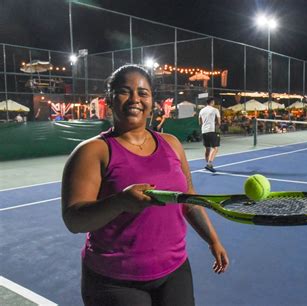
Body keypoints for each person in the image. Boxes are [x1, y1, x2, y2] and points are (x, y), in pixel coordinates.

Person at [61, 64, 229, 306]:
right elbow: (73, 220)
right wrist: (120, 202)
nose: (135, 99)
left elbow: (188, 198)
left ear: (152, 101)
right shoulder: (92, 151)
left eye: (143, 93)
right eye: (124, 91)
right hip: (115, 280)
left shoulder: (171, 144)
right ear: (109, 98)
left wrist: (213, 240)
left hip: (175, 270)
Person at [198, 97, 221, 173]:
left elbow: (200, 123)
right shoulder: (215, 110)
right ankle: (209, 164)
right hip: (212, 130)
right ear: (212, 102)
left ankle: (208, 164)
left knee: (207, 149)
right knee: (215, 148)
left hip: (204, 131)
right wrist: (216, 127)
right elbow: (219, 122)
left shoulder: (201, 110)